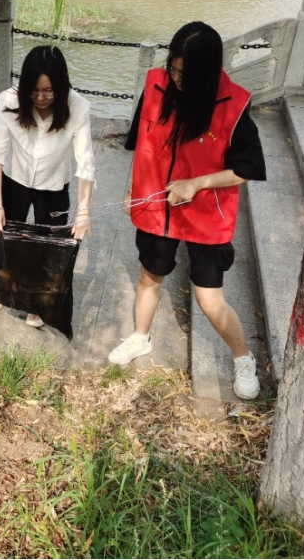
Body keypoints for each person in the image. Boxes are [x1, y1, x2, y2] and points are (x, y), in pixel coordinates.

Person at [111, 21, 267, 400]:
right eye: (174, 68)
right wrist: (133, 188)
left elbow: (246, 169)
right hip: (157, 207)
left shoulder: (233, 106)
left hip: (205, 216)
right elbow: (141, 143)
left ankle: (243, 358)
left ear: (208, 72)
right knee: (149, 277)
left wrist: (196, 183)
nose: (177, 79)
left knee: (209, 300)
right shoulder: (156, 85)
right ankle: (140, 337)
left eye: (186, 74)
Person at [0, 45, 95, 329]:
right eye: (34, 91)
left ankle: (40, 303)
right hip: (16, 179)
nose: (41, 98)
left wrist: (84, 210)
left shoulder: (78, 107)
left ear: (62, 84)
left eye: (49, 91)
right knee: (2, 236)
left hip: (55, 184)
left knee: (50, 245)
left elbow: (86, 162)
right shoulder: (9, 101)